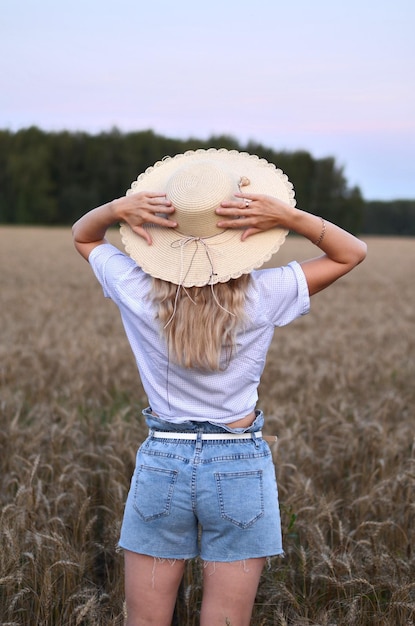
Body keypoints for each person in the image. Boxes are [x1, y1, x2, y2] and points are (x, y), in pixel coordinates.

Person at [72, 148, 367, 626]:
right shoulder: (266, 293)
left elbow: (83, 238)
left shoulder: (134, 286)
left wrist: (115, 211)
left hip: (162, 461)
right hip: (239, 464)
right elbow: (352, 252)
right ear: (244, 228)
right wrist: (289, 216)